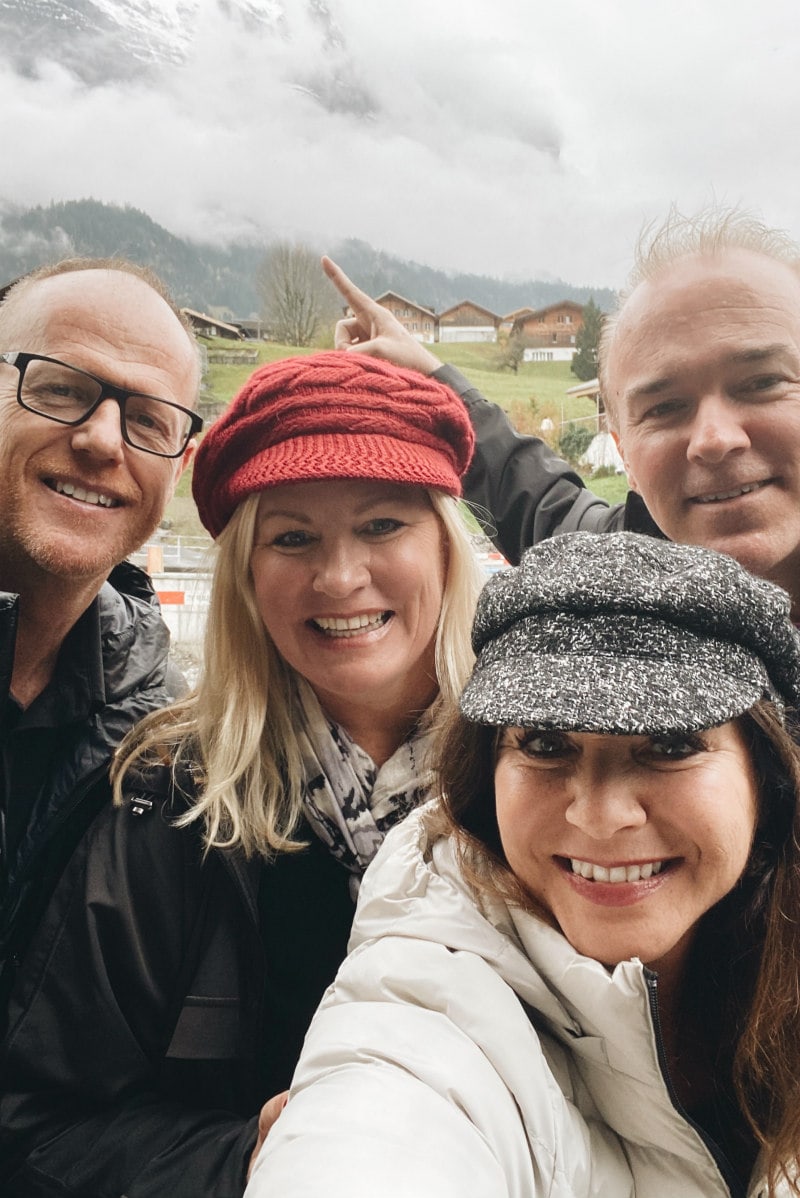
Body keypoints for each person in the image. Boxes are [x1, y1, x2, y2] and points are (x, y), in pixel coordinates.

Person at [0, 351, 484, 1197]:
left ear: (445, 545)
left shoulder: (545, 776)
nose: (339, 577)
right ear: (247, 581)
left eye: (382, 525)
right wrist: (246, 1160)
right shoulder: (164, 797)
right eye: (292, 537)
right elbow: (39, 1127)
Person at [248, 530, 800, 1198]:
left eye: (671, 744)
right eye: (545, 744)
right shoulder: (433, 999)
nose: (599, 816)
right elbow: (385, 1125)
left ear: (765, 778)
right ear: (485, 772)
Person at [323, 206, 800, 618]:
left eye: (763, 383)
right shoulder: (624, 571)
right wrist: (429, 374)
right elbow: (533, 501)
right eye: (665, 407)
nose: (715, 439)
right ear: (625, 457)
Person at [0, 258, 201, 1026]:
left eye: (149, 418)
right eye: (60, 388)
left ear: (177, 468)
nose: (101, 439)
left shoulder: (166, 746)